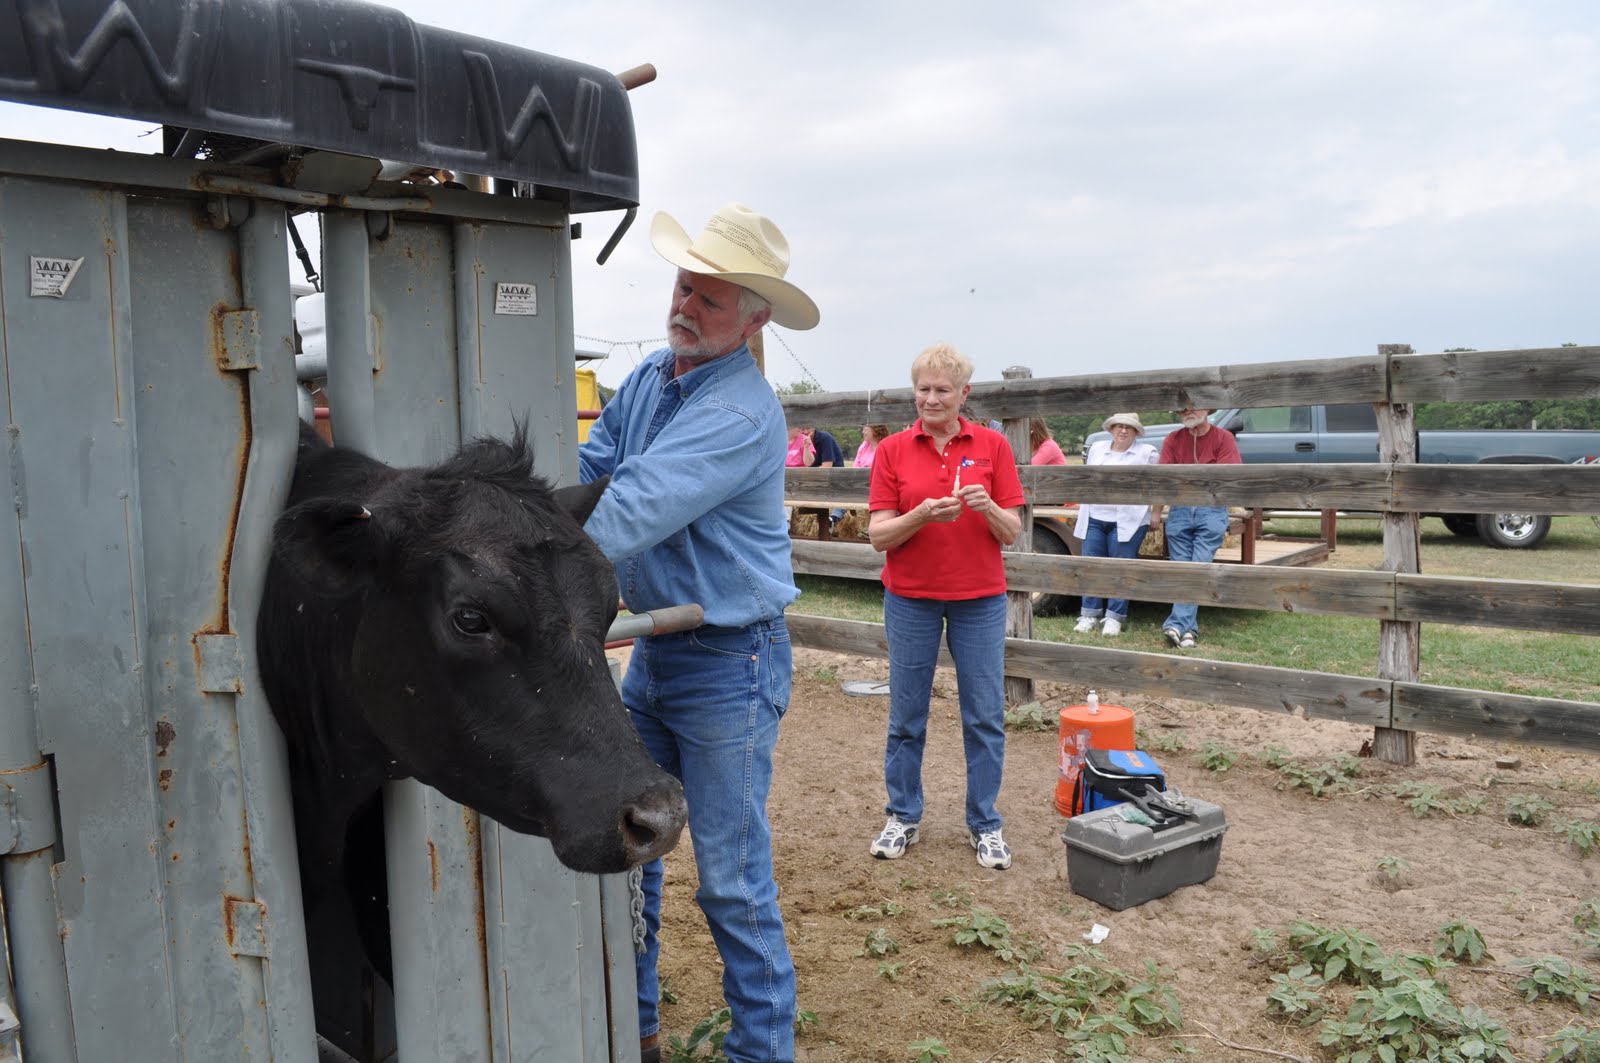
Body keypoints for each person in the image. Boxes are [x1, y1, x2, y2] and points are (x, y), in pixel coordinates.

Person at [578, 202, 819, 1063]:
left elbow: (630, 509)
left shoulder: (743, 411)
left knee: (731, 878)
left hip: (729, 660)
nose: (685, 305)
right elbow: (592, 469)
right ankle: (636, 1028)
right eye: (684, 286)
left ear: (753, 320)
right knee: (630, 845)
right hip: (659, 647)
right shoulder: (652, 377)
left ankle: (762, 1052)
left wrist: (520, 550)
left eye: (709, 299)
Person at [865, 343, 1025, 871]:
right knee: (906, 714)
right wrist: (922, 515)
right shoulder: (892, 450)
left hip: (980, 597)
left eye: (942, 390)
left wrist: (988, 506)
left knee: (984, 715)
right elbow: (878, 536)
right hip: (910, 597)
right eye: (923, 389)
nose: (931, 399)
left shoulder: (993, 445)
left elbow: (1012, 531)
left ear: (964, 394)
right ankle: (902, 815)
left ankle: (985, 822)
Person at [1156, 406, 1242, 649]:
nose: (1187, 412)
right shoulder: (1173, 439)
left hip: (1211, 508)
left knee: (1198, 567)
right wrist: (1156, 511)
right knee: (1182, 570)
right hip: (1180, 509)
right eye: (1183, 409)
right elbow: (1163, 478)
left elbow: (1226, 478)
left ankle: (1175, 624)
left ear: (1206, 410)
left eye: (1192, 408)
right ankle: (1188, 631)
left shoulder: (1223, 438)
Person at [1072, 413, 1160, 637]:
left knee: (1122, 569)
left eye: (1129, 427)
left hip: (1129, 519)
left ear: (1136, 432)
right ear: (1111, 429)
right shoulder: (1097, 449)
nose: (1123, 431)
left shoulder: (1147, 453)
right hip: (1095, 516)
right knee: (1091, 566)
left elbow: (1158, 485)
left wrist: (1156, 513)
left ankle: (1114, 617)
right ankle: (1089, 614)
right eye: (1119, 426)